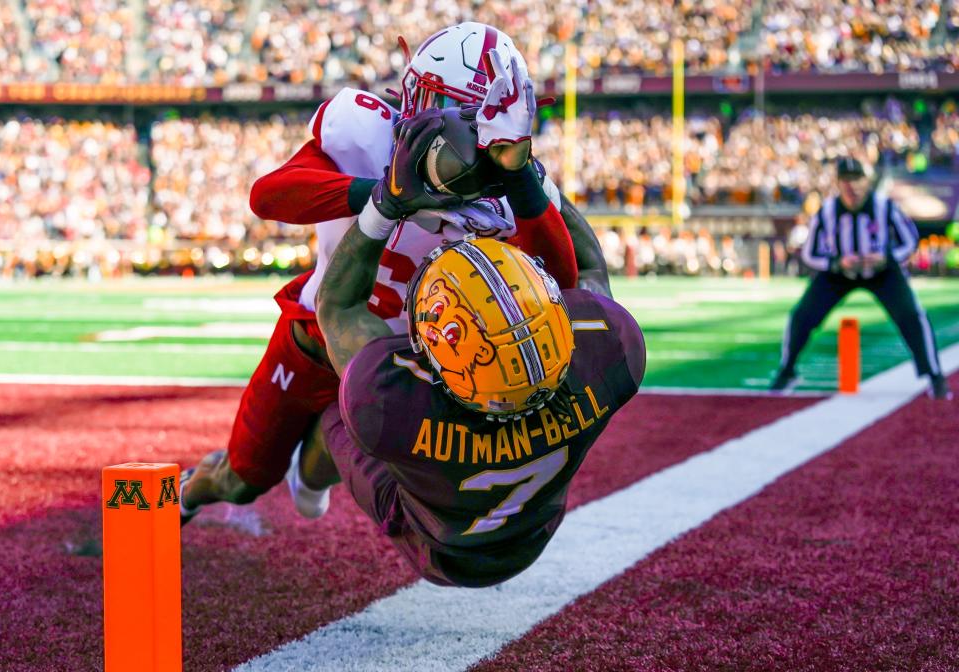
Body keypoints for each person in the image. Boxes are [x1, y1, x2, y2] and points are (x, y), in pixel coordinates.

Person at [180, 23, 608, 522]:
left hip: (393, 362)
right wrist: (382, 194)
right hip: (311, 335)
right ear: (417, 96)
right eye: (453, 113)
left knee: (328, 458)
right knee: (242, 479)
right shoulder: (368, 135)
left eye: (479, 121)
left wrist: (523, 182)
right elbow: (268, 195)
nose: (464, 134)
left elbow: (562, 282)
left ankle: (313, 470)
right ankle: (186, 494)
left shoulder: (510, 193)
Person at [297, 221, 644, 586]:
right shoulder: (614, 350)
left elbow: (336, 305)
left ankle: (306, 485)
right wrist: (534, 181)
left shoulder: (390, 402)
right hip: (537, 529)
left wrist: (382, 207)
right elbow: (589, 266)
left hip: (439, 551)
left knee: (333, 407)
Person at [771, 158, 951, 399]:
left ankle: (935, 376)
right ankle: (787, 370)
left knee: (912, 315)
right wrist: (836, 263)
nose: (851, 186)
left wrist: (885, 258)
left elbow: (909, 241)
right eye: (845, 180)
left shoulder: (884, 206)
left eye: (856, 179)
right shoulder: (827, 211)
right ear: (838, 183)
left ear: (866, 181)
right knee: (802, 316)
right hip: (838, 273)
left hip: (883, 273)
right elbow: (810, 253)